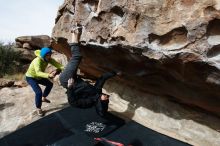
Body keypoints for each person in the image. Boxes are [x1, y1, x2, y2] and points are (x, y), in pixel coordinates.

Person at [59, 25, 120, 117]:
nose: (106, 96)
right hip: (75, 79)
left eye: (105, 98)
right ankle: (74, 33)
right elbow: (102, 79)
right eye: (107, 97)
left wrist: (70, 87)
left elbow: (73, 103)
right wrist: (115, 73)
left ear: (102, 102)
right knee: (77, 57)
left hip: (67, 80)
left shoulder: (89, 102)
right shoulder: (97, 91)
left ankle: (74, 35)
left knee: (77, 57)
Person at [25, 47, 64, 116]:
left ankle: (43, 98)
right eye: (48, 55)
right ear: (44, 55)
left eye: (50, 55)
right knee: (38, 92)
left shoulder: (48, 59)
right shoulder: (37, 61)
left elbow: (59, 65)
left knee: (49, 84)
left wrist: (66, 68)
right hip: (31, 77)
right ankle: (38, 108)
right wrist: (48, 75)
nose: (49, 57)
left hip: (39, 77)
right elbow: (38, 72)